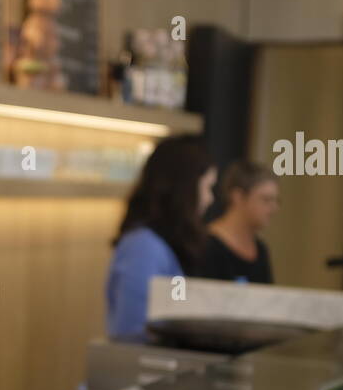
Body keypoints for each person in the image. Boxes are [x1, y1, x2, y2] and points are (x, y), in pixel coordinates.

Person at [105, 136, 216, 341]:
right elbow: (132, 332)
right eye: (207, 187)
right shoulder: (143, 247)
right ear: (186, 188)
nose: (210, 199)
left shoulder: (165, 245)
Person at [198, 161, 278, 284]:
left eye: (275, 201)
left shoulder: (261, 250)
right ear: (238, 196)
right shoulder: (206, 245)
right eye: (266, 200)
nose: (273, 209)